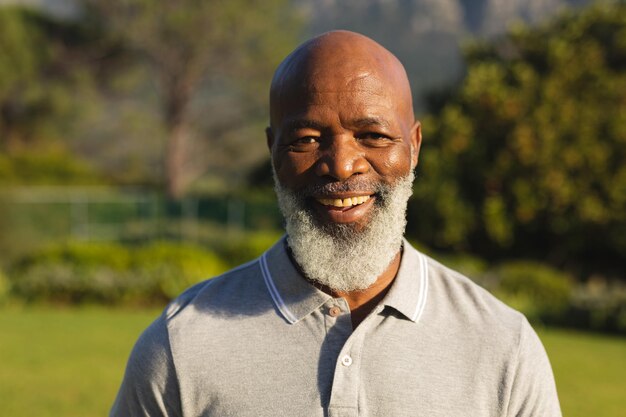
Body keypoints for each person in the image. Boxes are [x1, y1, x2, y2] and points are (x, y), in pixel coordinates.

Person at [111, 30, 561, 417]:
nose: (342, 166)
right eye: (307, 139)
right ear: (273, 151)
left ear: (415, 145)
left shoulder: (503, 346)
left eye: (374, 136)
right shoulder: (181, 346)